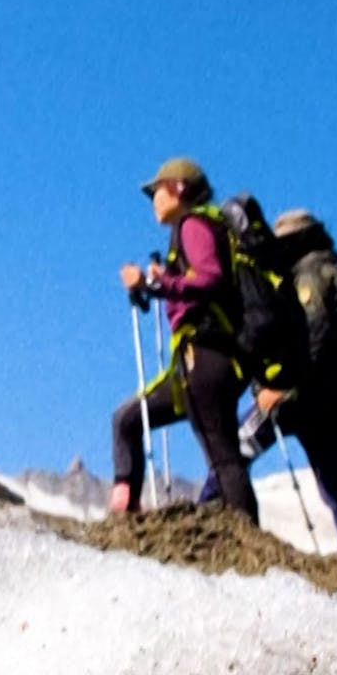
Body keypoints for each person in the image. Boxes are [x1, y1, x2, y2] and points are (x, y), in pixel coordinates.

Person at [203, 209, 337, 551]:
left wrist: (282, 385)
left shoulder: (310, 275)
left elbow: (316, 334)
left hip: (302, 396)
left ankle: (204, 519)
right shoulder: (330, 272)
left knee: (232, 448)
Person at [110, 157, 258, 523]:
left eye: (157, 190)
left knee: (222, 454)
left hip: (206, 357)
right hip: (203, 360)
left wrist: (153, 284)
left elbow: (209, 278)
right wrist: (165, 283)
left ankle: (249, 539)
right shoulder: (196, 229)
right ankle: (126, 513)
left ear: (178, 188)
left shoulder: (194, 224)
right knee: (128, 420)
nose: (154, 200)